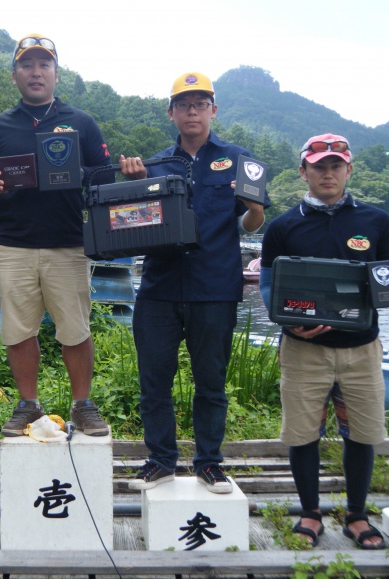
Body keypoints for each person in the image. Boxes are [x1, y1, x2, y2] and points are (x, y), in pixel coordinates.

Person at [120, 71, 267, 494]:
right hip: (159, 287)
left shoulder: (239, 159)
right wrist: (132, 182)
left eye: (200, 104)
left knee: (211, 382)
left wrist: (255, 207)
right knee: (154, 380)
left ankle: (209, 463)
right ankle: (160, 460)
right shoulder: (155, 163)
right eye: (184, 104)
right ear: (171, 113)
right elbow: (132, 219)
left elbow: (249, 221)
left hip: (214, 287)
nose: (192, 111)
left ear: (213, 111)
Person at [260, 133, 389, 549]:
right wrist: (289, 322)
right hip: (304, 350)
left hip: (362, 349)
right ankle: (310, 513)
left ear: (348, 170)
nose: (328, 173)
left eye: (335, 166)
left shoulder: (376, 221)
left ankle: (357, 516)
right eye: (319, 166)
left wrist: (386, 289)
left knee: (361, 433)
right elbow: (270, 287)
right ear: (303, 170)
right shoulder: (283, 226)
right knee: (302, 434)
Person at [0, 34, 113, 437]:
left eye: (44, 64)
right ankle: (28, 405)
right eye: (27, 65)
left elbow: (103, 176)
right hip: (14, 244)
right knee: (18, 331)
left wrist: (77, 175)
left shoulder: (81, 121)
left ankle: (83, 404)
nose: (36, 72)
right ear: (15, 74)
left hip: (69, 243)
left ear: (55, 72)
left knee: (75, 330)